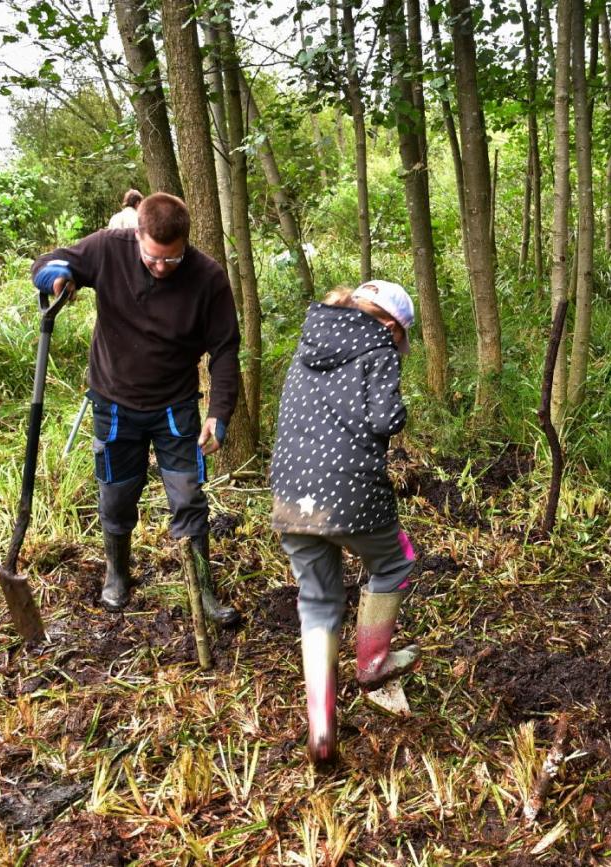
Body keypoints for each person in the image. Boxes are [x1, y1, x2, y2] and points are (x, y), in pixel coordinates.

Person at [30, 192, 241, 626]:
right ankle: (117, 574)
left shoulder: (208, 278)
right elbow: (48, 263)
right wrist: (56, 277)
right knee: (117, 495)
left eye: (172, 260)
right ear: (137, 236)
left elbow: (225, 351)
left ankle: (203, 590)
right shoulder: (110, 247)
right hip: (114, 404)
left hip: (174, 408)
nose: (162, 268)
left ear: (186, 241)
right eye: (153, 259)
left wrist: (219, 414)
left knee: (187, 499)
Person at [270, 280, 420, 765]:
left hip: (291, 494)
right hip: (350, 491)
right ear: (392, 327)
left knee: (317, 600)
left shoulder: (310, 342)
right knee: (395, 561)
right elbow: (386, 420)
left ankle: (320, 725)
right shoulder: (378, 349)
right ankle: (372, 664)